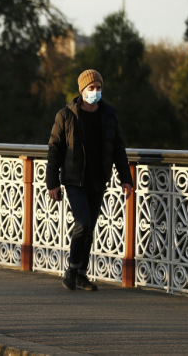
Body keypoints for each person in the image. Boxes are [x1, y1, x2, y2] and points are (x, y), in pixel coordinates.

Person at [46, 69, 133, 291]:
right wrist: (52, 182)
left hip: (98, 179)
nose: (95, 92)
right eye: (91, 88)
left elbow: (118, 149)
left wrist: (126, 178)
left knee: (90, 227)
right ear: (82, 90)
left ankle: (81, 275)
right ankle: (72, 270)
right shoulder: (66, 115)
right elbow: (55, 149)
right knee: (82, 223)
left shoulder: (109, 114)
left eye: (98, 88)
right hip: (75, 179)